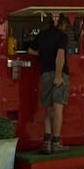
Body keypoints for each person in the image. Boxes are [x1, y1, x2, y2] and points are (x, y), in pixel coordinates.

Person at [28, 15, 70, 154]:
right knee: (58, 109)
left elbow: (30, 50)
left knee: (48, 110)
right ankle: (56, 142)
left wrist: (43, 55)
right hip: (59, 74)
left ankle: (46, 143)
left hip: (45, 74)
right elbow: (60, 55)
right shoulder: (62, 36)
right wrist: (58, 75)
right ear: (61, 24)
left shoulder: (42, 35)